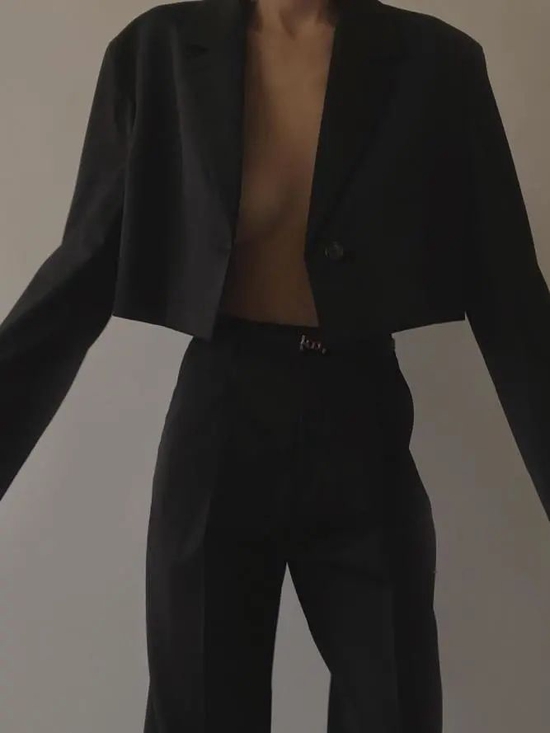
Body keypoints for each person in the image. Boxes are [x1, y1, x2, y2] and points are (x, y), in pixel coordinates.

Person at [1, 0, 548, 731]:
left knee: (397, 704)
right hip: (220, 417)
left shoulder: (438, 63)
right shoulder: (158, 52)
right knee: (199, 710)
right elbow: (83, 267)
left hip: (362, 416)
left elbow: (511, 296)